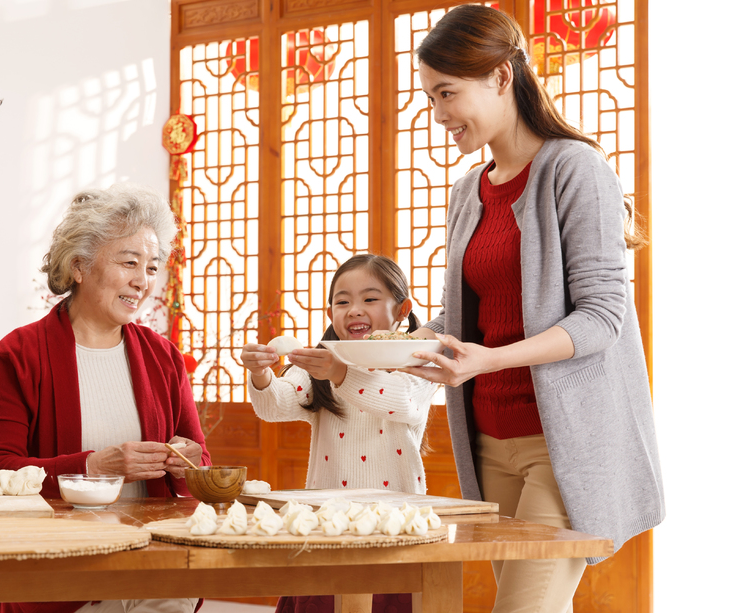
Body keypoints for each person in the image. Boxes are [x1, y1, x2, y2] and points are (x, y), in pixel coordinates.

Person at [402, 6, 665, 613]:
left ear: (500, 77)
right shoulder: (469, 191)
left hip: (563, 444)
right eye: (430, 97)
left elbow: (603, 317)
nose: (438, 114)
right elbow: (462, 323)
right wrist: (377, 350)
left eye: (447, 93)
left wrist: (490, 358)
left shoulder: (575, 169)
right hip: (489, 441)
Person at [0, 183, 208, 613]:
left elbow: (201, 465)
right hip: (61, 579)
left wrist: (188, 460)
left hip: (155, 574)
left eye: (153, 266)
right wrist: (91, 467)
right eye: (129, 262)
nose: (143, 281)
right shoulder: (16, 356)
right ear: (79, 266)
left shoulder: (163, 357)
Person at [241, 254, 438, 613]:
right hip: (325, 527)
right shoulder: (322, 362)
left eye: (370, 298)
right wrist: (261, 376)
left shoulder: (416, 360)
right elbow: (275, 406)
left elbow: (401, 401)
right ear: (330, 313)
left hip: (395, 530)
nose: (354, 310)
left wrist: (340, 374)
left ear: (402, 309)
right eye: (342, 301)